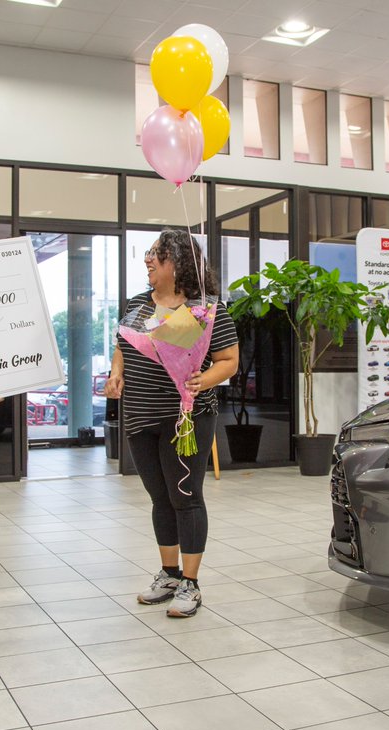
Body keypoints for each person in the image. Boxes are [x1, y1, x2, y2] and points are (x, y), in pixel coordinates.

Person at [105, 229, 238, 618]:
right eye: (148, 254)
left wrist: (203, 380)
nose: (147, 260)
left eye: (155, 254)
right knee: (159, 497)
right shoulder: (136, 303)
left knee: (186, 496)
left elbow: (229, 360)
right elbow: (122, 345)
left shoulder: (207, 308)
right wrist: (117, 374)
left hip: (187, 418)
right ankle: (168, 574)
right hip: (140, 414)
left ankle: (191, 585)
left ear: (176, 262)